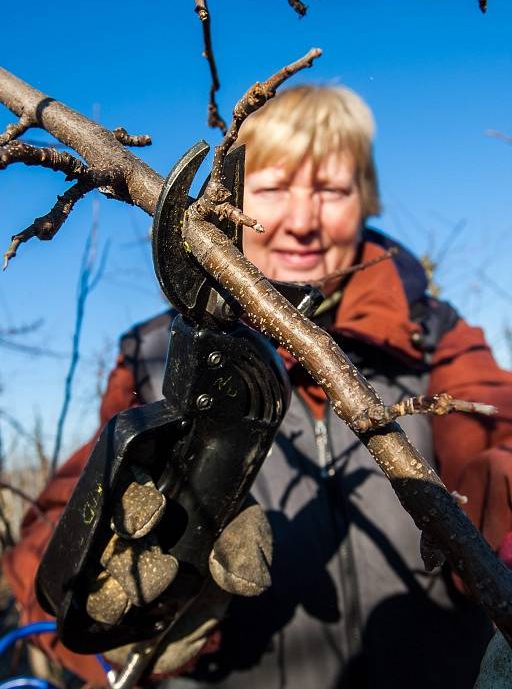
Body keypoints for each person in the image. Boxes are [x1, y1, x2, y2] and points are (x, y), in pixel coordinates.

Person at [4, 85, 512, 689]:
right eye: (272, 189)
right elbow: (53, 528)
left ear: (365, 201)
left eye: (332, 190)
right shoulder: (154, 353)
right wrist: (113, 606)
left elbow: (498, 436)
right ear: (230, 206)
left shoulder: (433, 336)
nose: (301, 221)